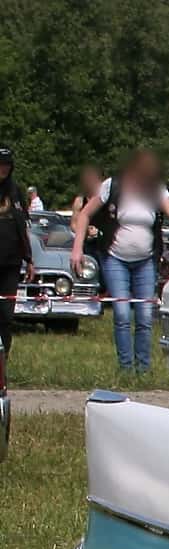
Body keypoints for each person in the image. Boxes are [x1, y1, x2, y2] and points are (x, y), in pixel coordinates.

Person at [71, 148, 169, 373]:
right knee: (121, 313)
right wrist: (77, 248)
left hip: (145, 260)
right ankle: (126, 368)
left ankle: (143, 369)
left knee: (145, 316)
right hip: (115, 258)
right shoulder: (112, 186)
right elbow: (85, 214)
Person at [0, 147, 35, 396]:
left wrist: (29, 259)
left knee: (5, 319)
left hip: (11, 264)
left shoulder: (16, 191)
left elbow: (23, 227)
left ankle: (2, 368)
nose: (3, 169)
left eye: (6, 164)